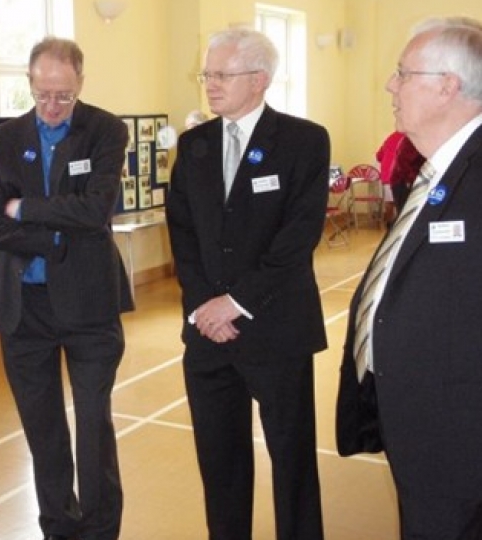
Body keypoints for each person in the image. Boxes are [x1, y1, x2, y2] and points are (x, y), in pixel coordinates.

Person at [166, 28, 329, 540]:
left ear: (259, 80)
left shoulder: (304, 141)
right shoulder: (194, 145)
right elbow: (183, 234)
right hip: (208, 335)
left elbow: (297, 238)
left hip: (276, 329)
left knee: (293, 462)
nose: (210, 84)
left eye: (222, 75)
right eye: (207, 74)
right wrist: (204, 307)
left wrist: (235, 303)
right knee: (220, 466)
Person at [336, 17, 482, 539]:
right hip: (422, 420)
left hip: (462, 434)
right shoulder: (440, 168)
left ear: (448, 86)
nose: (390, 85)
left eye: (403, 73)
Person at [0, 37, 133, 540]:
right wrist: (55, 236)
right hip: (24, 309)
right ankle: (58, 529)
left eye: (63, 95)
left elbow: (95, 209)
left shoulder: (105, 130)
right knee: (43, 433)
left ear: (80, 83)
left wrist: (24, 208)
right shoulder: (2, 141)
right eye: (42, 94)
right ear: (29, 82)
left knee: (93, 428)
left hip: (89, 305)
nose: (52, 106)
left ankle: (101, 531)